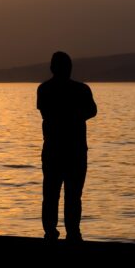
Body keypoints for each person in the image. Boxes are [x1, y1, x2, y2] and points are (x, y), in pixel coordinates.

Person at [37, 51, 97, 242]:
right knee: (71, 195)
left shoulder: (44, 89)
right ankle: (72, 233)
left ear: (52, 68)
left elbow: (46, 113)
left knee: (52, 194)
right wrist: (74, 116)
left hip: (57, 150)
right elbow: (91, 111)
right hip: (73, 151)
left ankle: (53, 233)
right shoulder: (81, 90)